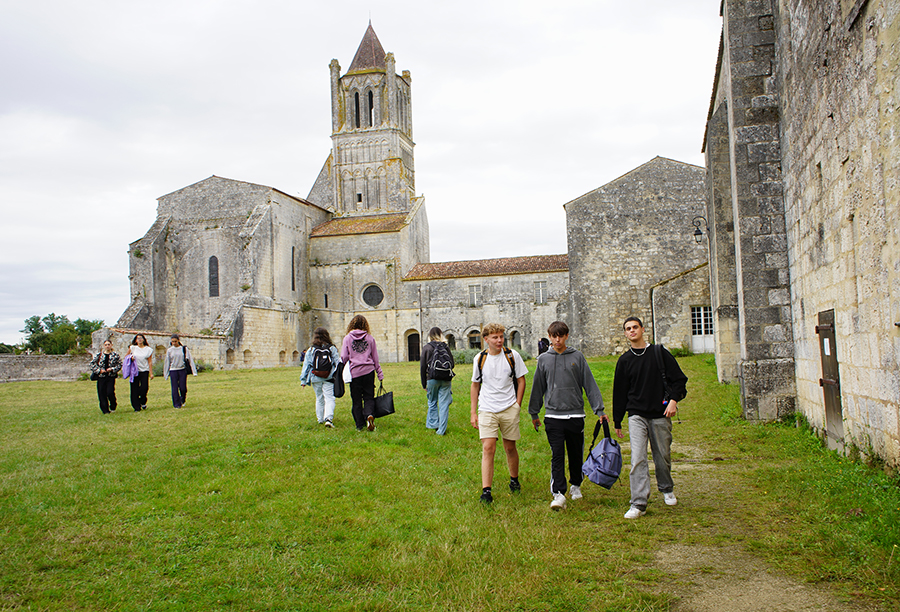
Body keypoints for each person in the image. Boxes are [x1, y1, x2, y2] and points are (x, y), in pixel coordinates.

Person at [613, 316, 688, 519]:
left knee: (662, 456)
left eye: (635, 327)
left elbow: (680, 380)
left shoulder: (659, 353)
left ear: (642, 329)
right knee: (638, 458)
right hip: (636, 415)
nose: (632, 331)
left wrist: (673, 401)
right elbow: (619, 393)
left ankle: (666, 487)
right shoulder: (625, 361)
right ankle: (638, 503)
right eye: (628, 329)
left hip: (659, 414)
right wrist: (618, 420)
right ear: (625, 333)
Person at [528, 321, 608, 511]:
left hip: (575, 415)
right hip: (553, 417)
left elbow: (589, 384)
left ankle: (576, 485)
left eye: (561, 336)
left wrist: (599, 410)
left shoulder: (577, 357)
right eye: (554, 336)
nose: (557, 339)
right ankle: (558, 493)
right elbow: (538, 387)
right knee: (557, 455)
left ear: (566, 336)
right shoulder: (543, 360)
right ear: (549, 336)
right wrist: (534, 413)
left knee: (575, 453)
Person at [470, 323, 528, 504]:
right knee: (488, 448)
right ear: (486, 339)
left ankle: (514, 479)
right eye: (495, 337)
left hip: (508, 407)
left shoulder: (512, 356)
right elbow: (475, 385)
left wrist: (517, 405)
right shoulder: (480, 359)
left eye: (501, 336)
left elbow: (521, 380)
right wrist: (473, 411)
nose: (499, 340)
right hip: (487, 408)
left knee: (510, 447)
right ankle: (486, 491)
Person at [340, 315, 384, 431]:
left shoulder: (347, 338)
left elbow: (344, 356)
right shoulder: (370, 338)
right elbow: (375, 358)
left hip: (355, 372)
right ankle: (369, 414)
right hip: (369, 371)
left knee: (356, 399)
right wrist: (379, 373)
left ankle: (360, 425)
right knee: (369, 397)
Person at [300, 327, 341, 428]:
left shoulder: (311, 349)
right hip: (329, 377)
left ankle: (320, 419)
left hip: (315, 377)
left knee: (319, 398)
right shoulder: (331, 348)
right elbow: (337, 363)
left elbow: (307, 365)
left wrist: (303, 380)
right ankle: (328, 418)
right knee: (329, 398)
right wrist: (337, 375)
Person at [420, 326, 455, 435]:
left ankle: (433, 424)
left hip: (432, 379)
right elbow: (452, 364)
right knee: (444, 405)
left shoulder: (427, 347)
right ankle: (441, 431)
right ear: (441, 335)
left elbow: (422, 367)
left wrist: (423, 384)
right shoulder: (445, 347)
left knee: (432, 402)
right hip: (445, 379)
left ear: (430, 336)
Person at [163, 334, 197, 408]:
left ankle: (182, 399)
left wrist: (194, 371)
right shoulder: (170, 350)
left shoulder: (184, 349)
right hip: (173, 370)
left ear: (178, 340)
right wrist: (166, 374)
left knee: (183, 387)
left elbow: (190, 359)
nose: (174, 343)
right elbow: (167, 362)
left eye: (175, 341)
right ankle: (176, 404)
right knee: (174, 388)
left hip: (182, 370)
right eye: (172, 342)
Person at [90, 339, 121, 414]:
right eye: (106, 345)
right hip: (101, 376)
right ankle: (105, 410)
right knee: (102, 393)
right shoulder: (99, 355)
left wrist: (112, 369)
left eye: (108, 344)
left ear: (111, 345)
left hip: (111, 376)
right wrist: (99, 370)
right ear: (104, 346)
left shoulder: (115, 355)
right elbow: (92, 364)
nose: (107, 346)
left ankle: (113, 404)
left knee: (110, 392)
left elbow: (119, 365)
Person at [125, 334, 154, 411]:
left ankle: (142, 401)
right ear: (135, 340)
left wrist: (151, 373)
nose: (139, 340)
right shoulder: (132, 348)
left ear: (144, 339)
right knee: (134, 389)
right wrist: (130, 358)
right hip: (134, 371)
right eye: (138, 338)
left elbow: (150, 362)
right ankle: (136, 406)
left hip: (144, 370)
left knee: (144, 387)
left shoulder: (148, 349)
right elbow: (126, 357)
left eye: (141, 338)